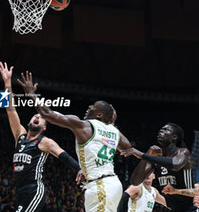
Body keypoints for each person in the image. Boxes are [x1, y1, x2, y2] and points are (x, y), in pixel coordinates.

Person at [16, 70, 132, 212]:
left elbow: (47, 113)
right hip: (109, 183)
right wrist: (111, 125)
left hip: (101, 185)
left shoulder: (84, 125)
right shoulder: (113, 130)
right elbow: (127, 147)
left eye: (93, 107)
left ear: (99, 114)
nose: (89, 107)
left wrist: (31, 94)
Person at [0, 62, 81, 212]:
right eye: (34, 115)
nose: (37, 116)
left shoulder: (44, 141)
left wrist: (79, 169)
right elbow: (10, 109)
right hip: (19, 190)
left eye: (41, 117)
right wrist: (7, 82)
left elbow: (64, 156)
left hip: (34, 189)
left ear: (44, 127)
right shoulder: (20, 136)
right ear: (29, 121)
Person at [120, 123, 196, 212]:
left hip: (188, 208)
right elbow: (135, 181)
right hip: (170, 208)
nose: (161, 131)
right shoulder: (157, 160)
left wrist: (141, 155)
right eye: (161, 129)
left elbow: (175, 165)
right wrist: (148, 153)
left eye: (166, 130)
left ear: (174, 137)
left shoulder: (183, 152)